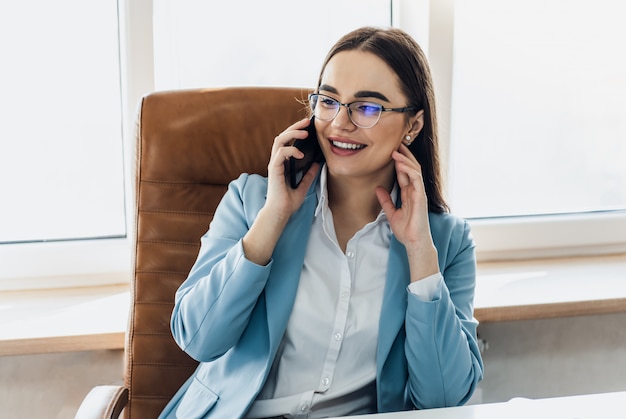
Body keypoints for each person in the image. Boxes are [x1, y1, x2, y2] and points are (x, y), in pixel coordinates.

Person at [159, 26, 484, 419]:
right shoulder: (252, 201)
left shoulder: (446, 243)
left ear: (412, 125)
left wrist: (419, 252)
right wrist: (273, 220)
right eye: (328, 101)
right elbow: (197, 338)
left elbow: (443, 399)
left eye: (367, 107)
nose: (339, 123)